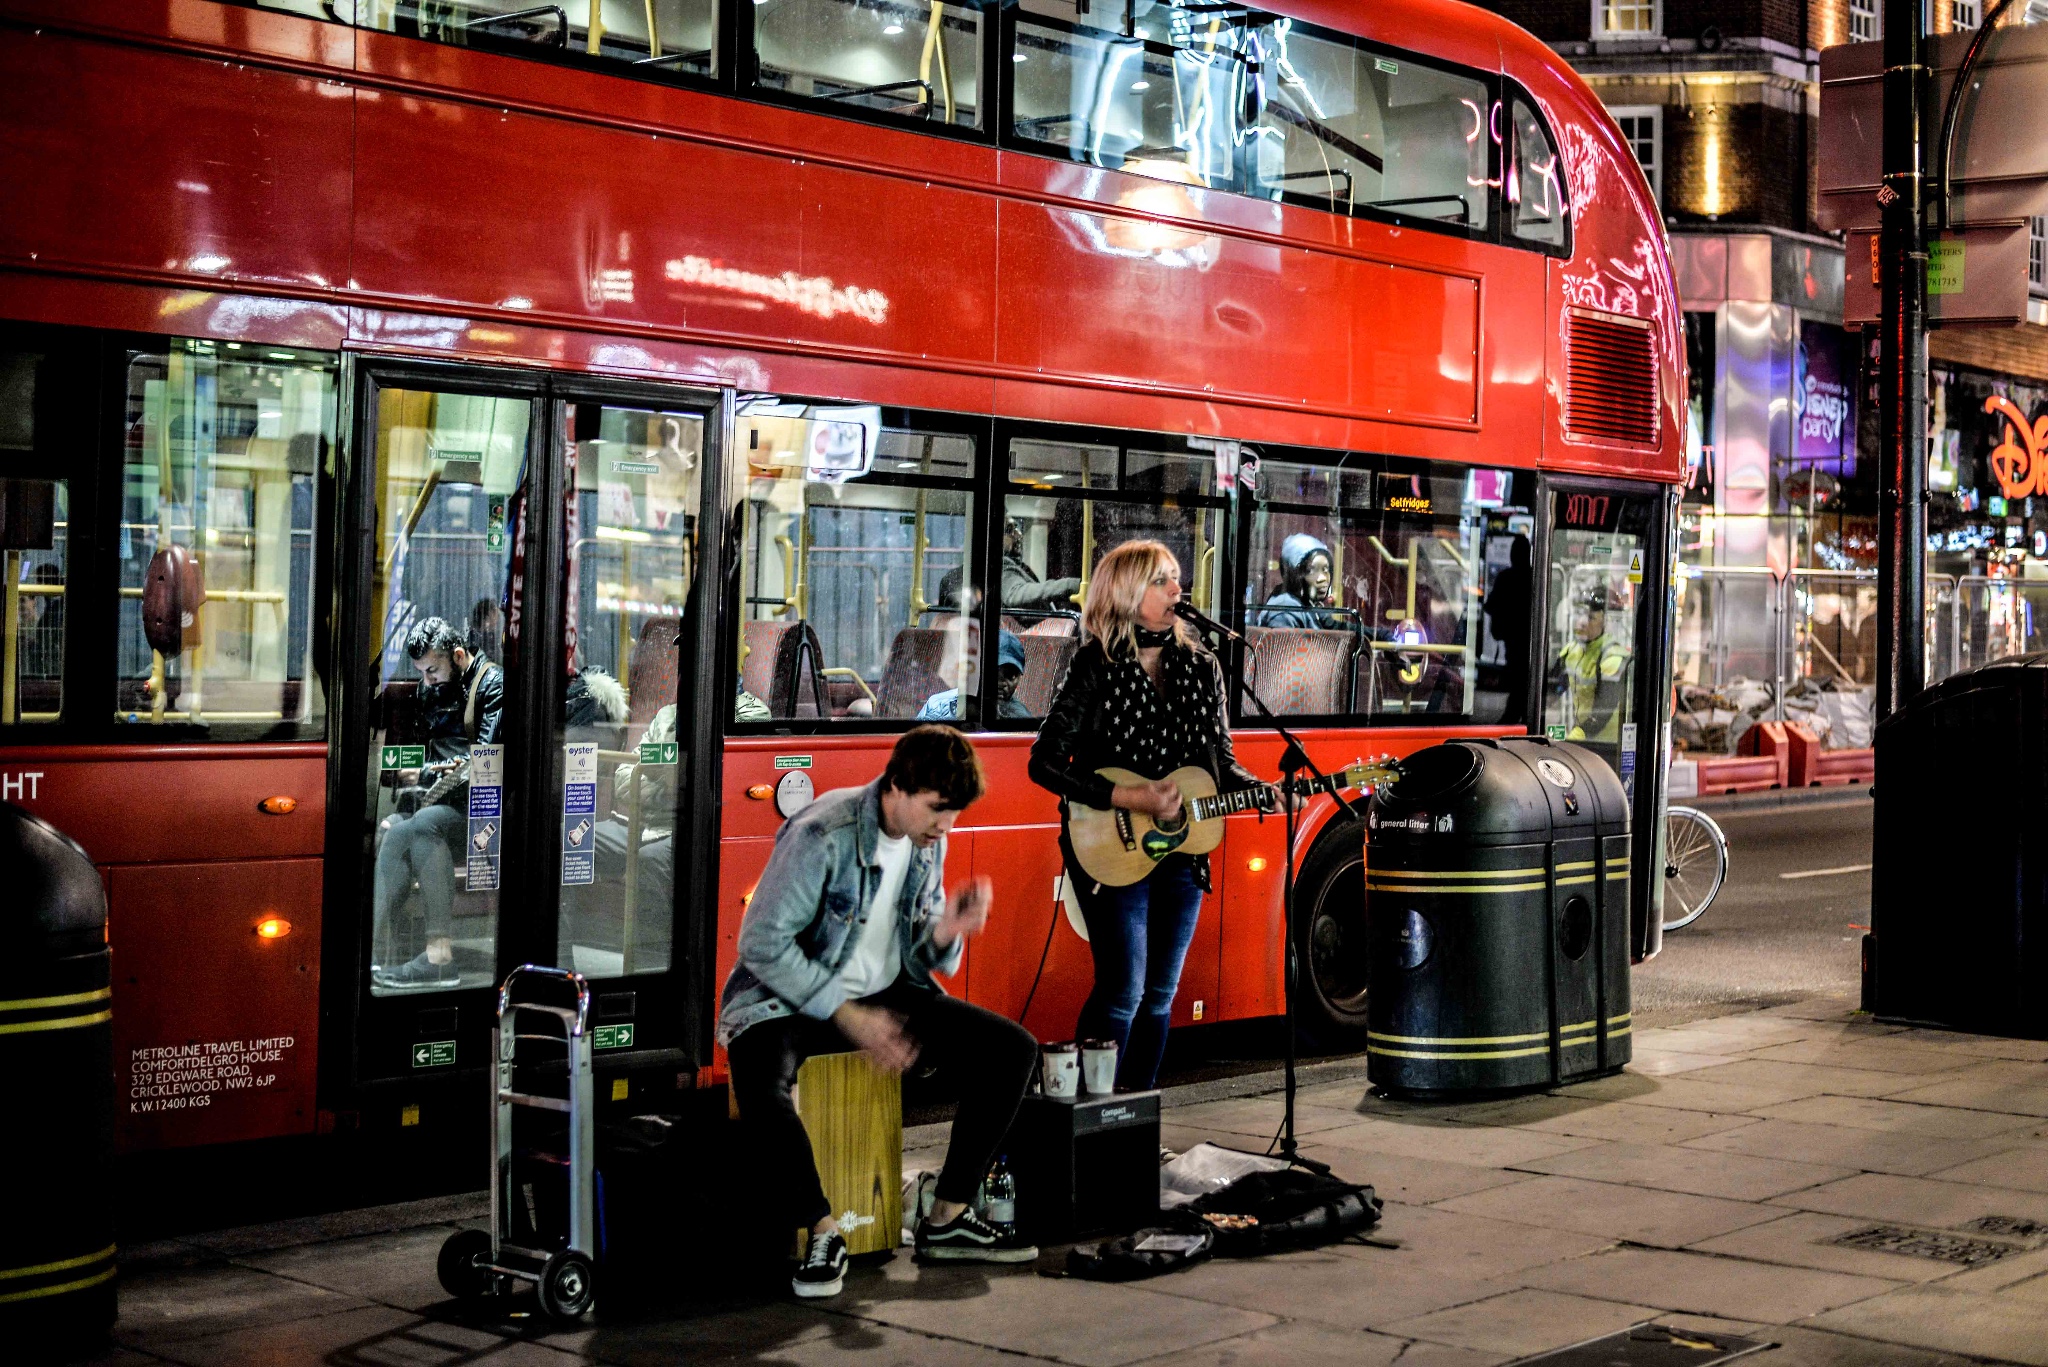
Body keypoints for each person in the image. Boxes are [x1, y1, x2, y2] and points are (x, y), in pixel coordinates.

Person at [718, 726, 1039, 1299]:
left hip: (886, 993)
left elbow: (922, 953)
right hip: (786, 997)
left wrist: (947, 931)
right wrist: (846, 1014)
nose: (947, 827)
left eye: (955, 813)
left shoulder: (926, 841)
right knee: (761, 1077)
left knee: (1013, 1050)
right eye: (939, 810)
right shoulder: (824, 832)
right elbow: (761, 942)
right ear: (897, 786)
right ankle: (822, 1231)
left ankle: (945, 1218)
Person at [1029, 540, 1270, 1092]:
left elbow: (1221, 762)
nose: (1176, 590)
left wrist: (1262, 790)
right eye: (1162, 581)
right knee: (1124, 992)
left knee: (1161, 994)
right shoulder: (1095, 663)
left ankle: (1134, 1118)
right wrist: (1128, 799)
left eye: (1177, 579)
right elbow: (1043, 763)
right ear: (1126, 592)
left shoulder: (1201, 665)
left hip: (1183, 852)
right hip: (1111, 848)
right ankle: (1090, 1116)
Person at [372, 616, 504, 991]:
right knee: (393, 827)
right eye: (420, 672)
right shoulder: (430, 689)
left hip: (486, 805)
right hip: (443, 798)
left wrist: (425, 776)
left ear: (458, 655)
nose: (426, 680)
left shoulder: (491, 685)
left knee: (424, 822)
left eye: (432, 670)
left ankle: (439, 956)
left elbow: (485, 760)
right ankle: (381, 952)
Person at [1556, 588, 1632, 743]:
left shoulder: (1613, 658)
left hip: (1607, 747)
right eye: (1580, 614)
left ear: (1607, 623)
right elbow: (1550, 691)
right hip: (1583, 740)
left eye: (1591, 617)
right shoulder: (1571, 651)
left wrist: (1573, 739)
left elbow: (1603, 712)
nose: (1582, 622)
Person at [917, 629, 1032, 723]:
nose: (1001, 683)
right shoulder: (938, 707)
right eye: (993, 674)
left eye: (1010, 676)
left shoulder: (1021, 718)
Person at [1483, 534, 1532, 724]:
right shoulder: (1533, 576)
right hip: (1527, 636)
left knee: (1516, 677)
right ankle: (1519, 714)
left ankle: (1512, 716)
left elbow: (1491, 605)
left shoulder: (1506, 577)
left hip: (1512, 637)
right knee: (1523, 677)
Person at [1255, 532, 1343, 629]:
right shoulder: (1285, 612)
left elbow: (1332, 625)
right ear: (1294, 574)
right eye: (1311, 570)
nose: (1322, 578)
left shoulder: (1306, 602)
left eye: (1325, 569)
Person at [999, 516, 1080, 614]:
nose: (1019, 535)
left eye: (1016, 528)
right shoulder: (1003, 565)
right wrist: (1070, 585)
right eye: (1009, 530)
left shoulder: (1019, 566)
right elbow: (1015, 594)